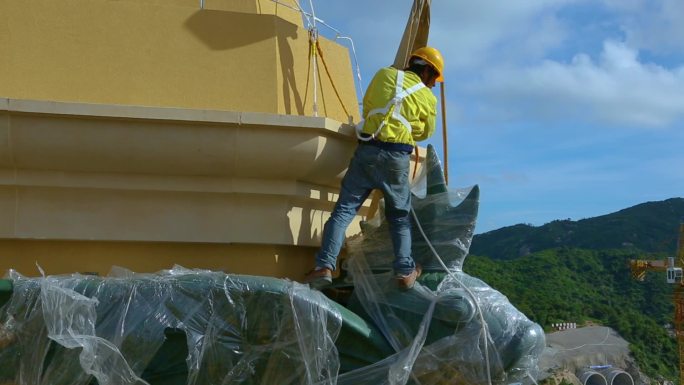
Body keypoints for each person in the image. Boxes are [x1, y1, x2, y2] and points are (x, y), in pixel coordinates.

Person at [304, 47, 444, 290]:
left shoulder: (383, 75)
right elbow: (426, 132)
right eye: (434, 79)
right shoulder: (428, 97)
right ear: (428, 71)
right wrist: (405, 125)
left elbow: (368, 109)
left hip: (367, 150)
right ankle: (403, 271)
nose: (433, 86)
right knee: (399, 217)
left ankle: (324, 268)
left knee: (344, 211)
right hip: (397, 156)